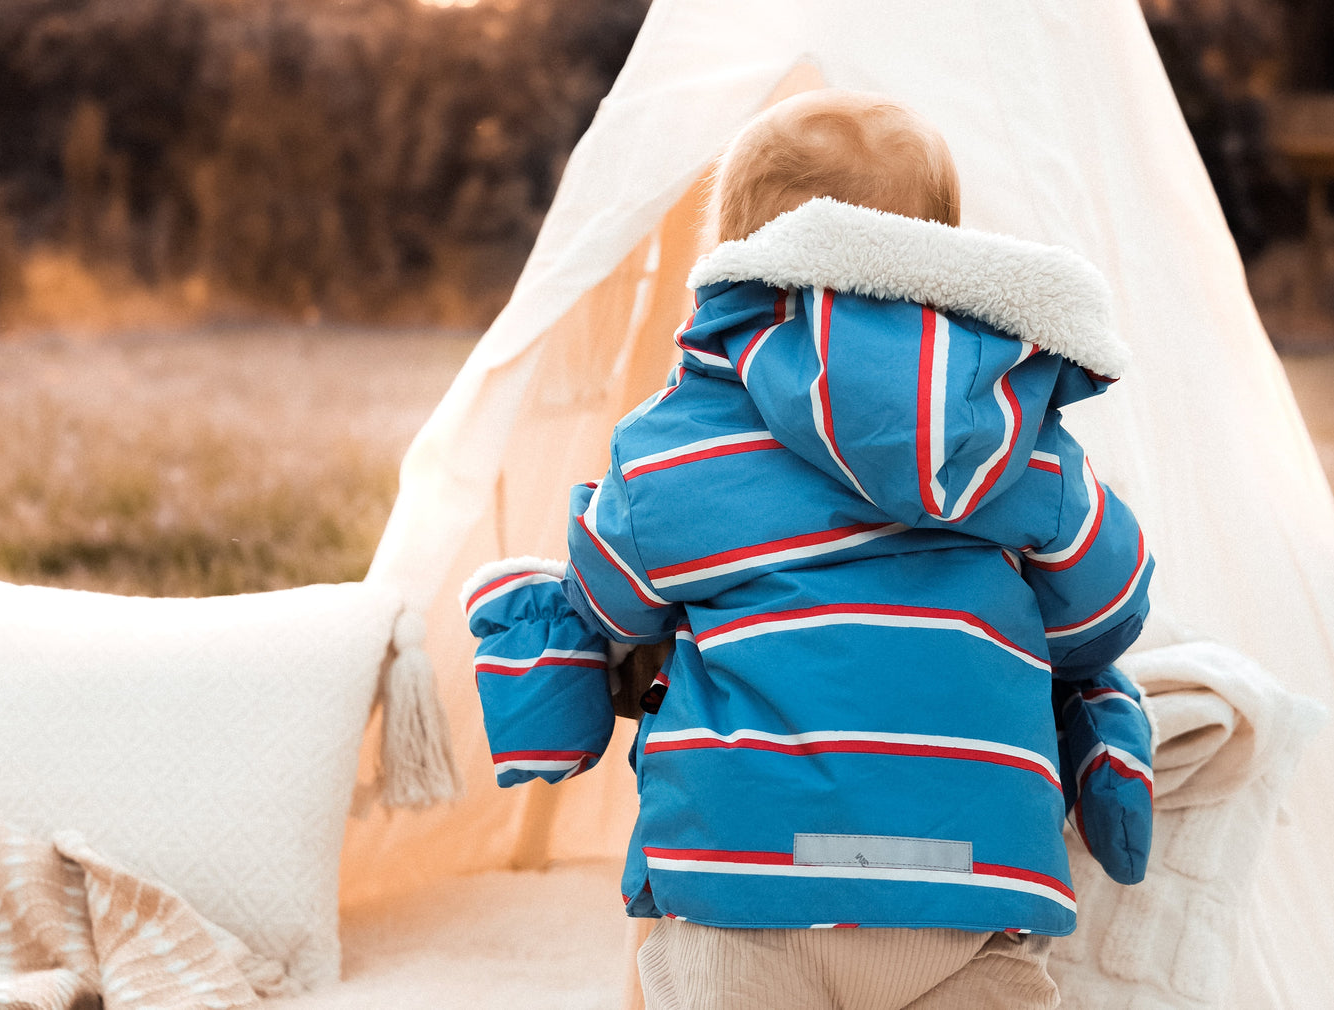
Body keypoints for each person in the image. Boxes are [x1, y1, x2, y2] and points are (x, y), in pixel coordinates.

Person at [462, 88, 1154, 1009]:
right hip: (971, 882)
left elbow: (612, 604)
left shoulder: (685, 439)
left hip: (748, 883)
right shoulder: (1014, 435)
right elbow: (1109, 611)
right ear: (940, 253)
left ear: (740, 256)